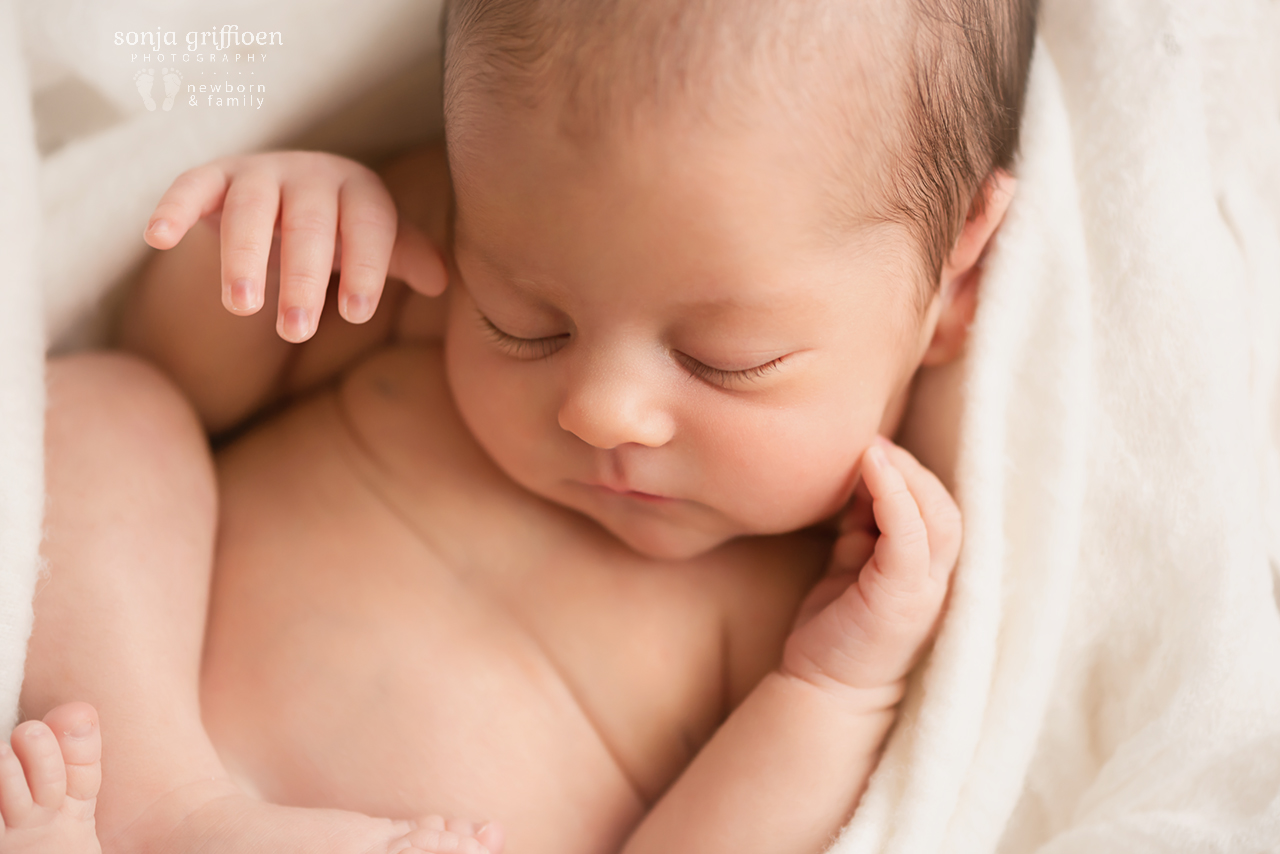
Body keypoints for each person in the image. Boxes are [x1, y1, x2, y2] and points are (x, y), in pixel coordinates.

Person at [0, 0, 1036, 852]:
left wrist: (834, 686)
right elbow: (181, 376)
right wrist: (273, 243)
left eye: (721, 361)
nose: (600, 407)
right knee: (107, 404)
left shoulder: (794, 604)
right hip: (87, 768)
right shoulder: (426, 269)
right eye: (527, 323)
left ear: (953, 280)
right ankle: (161, 807)